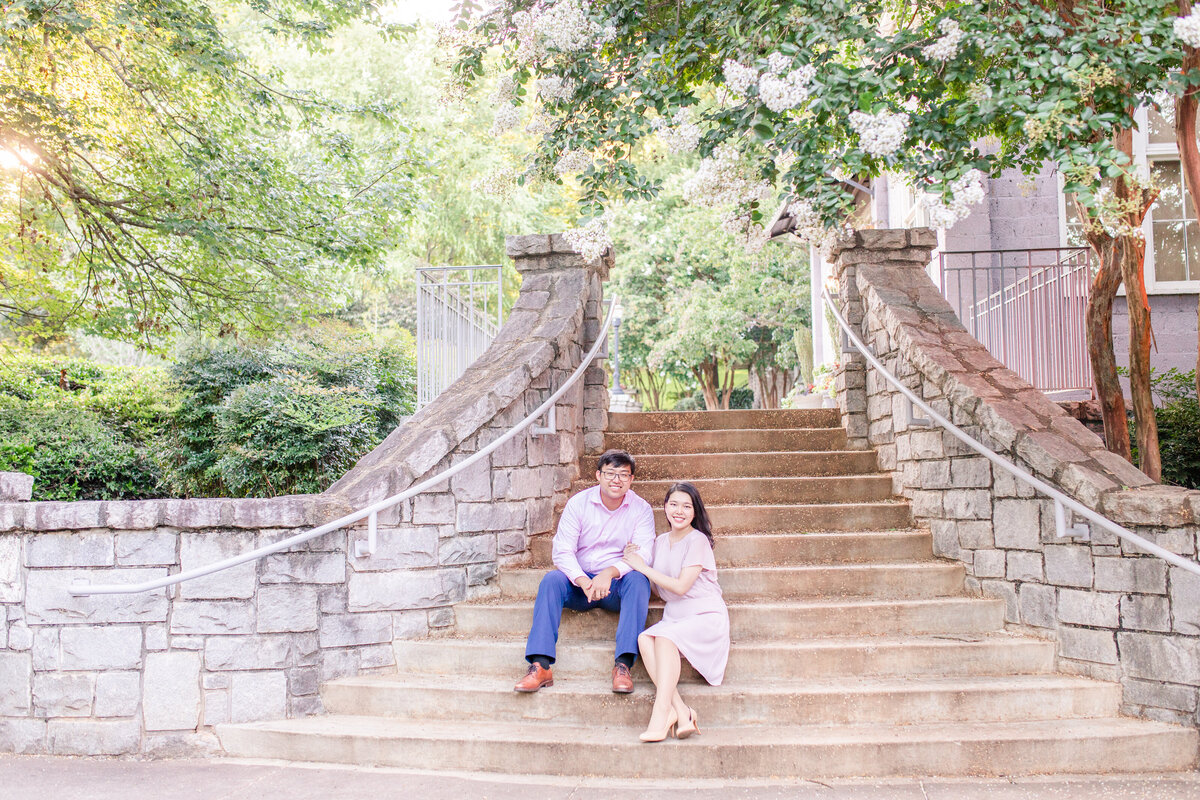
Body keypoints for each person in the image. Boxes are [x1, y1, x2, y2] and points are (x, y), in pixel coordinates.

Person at [514, 449, 655, 694]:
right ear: (598, 475)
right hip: (581, 585)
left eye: (623, 475)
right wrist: (581, 579)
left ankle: (623, 666)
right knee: (552, 580)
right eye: (610, 473)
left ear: (631, 480)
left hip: (616, 585)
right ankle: (541, 665)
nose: (616, 480)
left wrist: (609, 572)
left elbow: (644, 555)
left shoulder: (641, 509)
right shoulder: (578, 504)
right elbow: (562, 551)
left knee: (639, 579)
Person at [621, 482, 729, 742]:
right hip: (677, 615)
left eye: (686, 506)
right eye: (673, 504)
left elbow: (680, 587)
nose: (679, 511)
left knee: (665, 637)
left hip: (705, 614)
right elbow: (662, 589)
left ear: (695, 512)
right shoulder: (659, 541)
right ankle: (680, 710)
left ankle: (660, 713)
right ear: (666, 507)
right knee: (644, 638)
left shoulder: (698, 540)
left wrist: (643, 568)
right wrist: (630, 559)